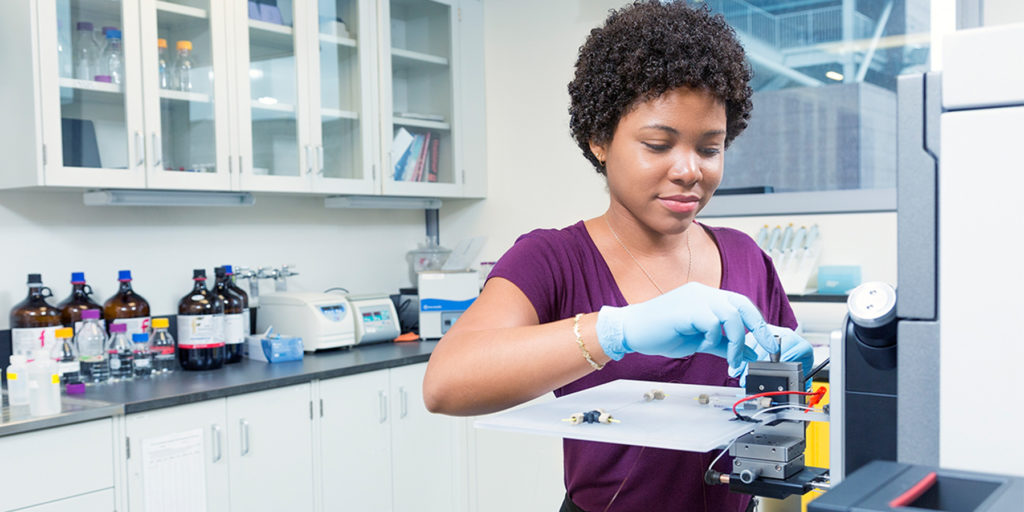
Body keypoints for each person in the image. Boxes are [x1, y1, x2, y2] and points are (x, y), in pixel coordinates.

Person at [423, 2, 814, 511]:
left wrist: (800, 380)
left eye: (710, 148)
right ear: (599, 140)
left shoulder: (746, 258)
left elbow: (785, 424)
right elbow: (446, 383)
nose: (689, 170)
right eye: (658, 144)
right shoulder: (553, 259)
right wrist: (615, 331)